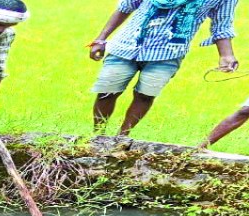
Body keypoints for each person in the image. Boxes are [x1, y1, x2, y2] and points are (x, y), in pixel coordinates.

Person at [88, 0, 239, 136]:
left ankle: (122, 137)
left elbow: (222, 24)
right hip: (126, 45)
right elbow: (126, 6)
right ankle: (98, 135)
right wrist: (100, 39)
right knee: (107, 91)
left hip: (168, 52)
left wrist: (226, 55)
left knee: (146, 95)